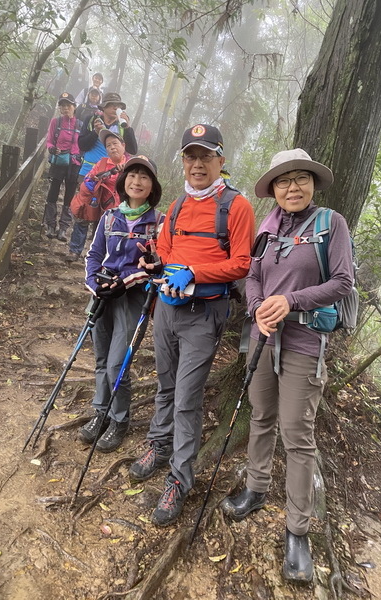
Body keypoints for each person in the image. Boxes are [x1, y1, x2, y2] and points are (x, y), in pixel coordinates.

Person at [220, 149, 354, 583]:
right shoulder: (268, 225)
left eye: (300, 179)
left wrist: (291, 301)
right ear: (273, 189)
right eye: (283, 181)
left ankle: (298, 530)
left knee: (297, 435)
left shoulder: (331, 224)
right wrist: (258, 306)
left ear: (313, 183)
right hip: (262, 336)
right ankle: (256, 489)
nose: (292, 188)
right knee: (261, 417)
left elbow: (343, 281)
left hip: (304, 341)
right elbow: (252, 275)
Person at [128, 124, 255, 527]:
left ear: (221, 160)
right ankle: (157, 444)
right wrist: (162, 265)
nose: (197, 164)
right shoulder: (180, 204)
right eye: (190, 156)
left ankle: (179, 480)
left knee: (186, 396)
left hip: (204, 313)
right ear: (183, 161)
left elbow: (243, 263)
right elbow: (165, 247)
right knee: (165, 384)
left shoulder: (237, 206)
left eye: (205, 156)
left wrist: (195, 274)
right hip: (166, 307)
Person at [79, 156, 165, 452]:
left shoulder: (159, 223)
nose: (137, 182)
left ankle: (119, 420)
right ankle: (100, 413)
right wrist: (95, 284)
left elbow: (158, 266)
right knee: (101, 359)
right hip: (102, 295)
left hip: (134, 299)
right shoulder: (110, 216)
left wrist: (124, 281)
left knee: (118, 363)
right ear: (123, 181)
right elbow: (93, 255)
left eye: (144, 177)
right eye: (132, 176)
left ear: (152, 186)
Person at [66, 131, 131, 262]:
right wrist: (90, 183)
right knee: (82, 218)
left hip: (119, 207)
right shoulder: (102, 163)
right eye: (108, 145)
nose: (112, 147)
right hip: (98, 203)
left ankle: (105, 259)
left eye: (115, 143)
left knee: (108, 232)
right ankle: (75, 250)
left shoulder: (131, 165)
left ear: (123, 146)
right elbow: (88, 179)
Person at [44, 92, 82, 241]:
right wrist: (52, 148)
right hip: (59, 161)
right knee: (53, 193)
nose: (65, 108)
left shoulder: (80, 124)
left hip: (74, 164)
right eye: (62, 105)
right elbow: (49, 141)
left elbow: (84, 144)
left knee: (69, 196)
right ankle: (50, 225)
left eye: (68, 105)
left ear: (74, 106)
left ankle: (63, 228)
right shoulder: (56, 122)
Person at [78, 92, 138, 181]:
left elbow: (133, 150)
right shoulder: (91, 120)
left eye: (118, 106)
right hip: (88, 171)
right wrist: (95, 132)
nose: (115, 108)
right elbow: (82, 146)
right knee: (84, 194)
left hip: (111, 175)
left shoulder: (122, 126)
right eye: (112, 105)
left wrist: (127, 128)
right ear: (103, 107)